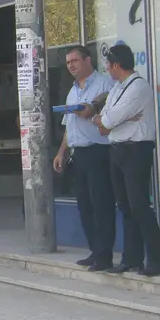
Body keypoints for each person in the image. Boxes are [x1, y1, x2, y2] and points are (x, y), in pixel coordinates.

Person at [92, 44, 160, 276]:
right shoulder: (116, 88)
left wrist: (109, 120)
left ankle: (157, 260)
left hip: (136, 150)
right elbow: (104, 120)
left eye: (108, 64)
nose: (107, 68)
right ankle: (131, 259)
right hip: (117, 149)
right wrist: (109, 120)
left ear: (116, 64)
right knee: (125, 207)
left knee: (139, 206)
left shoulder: (138, 87)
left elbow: (110, 118)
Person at [52, 46, 117, 271]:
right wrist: (61, 152)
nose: (71, 65)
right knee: (85, 205)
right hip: (78, 153)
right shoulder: (72, 92)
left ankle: (104, 256)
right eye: (68, 62)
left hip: (98, 151)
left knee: (102, 204)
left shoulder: (104, 84)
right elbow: (68, 127)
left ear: (88, 60)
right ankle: (95, 250)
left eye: (75, 61)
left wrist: (93, 111)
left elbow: (112, 113)